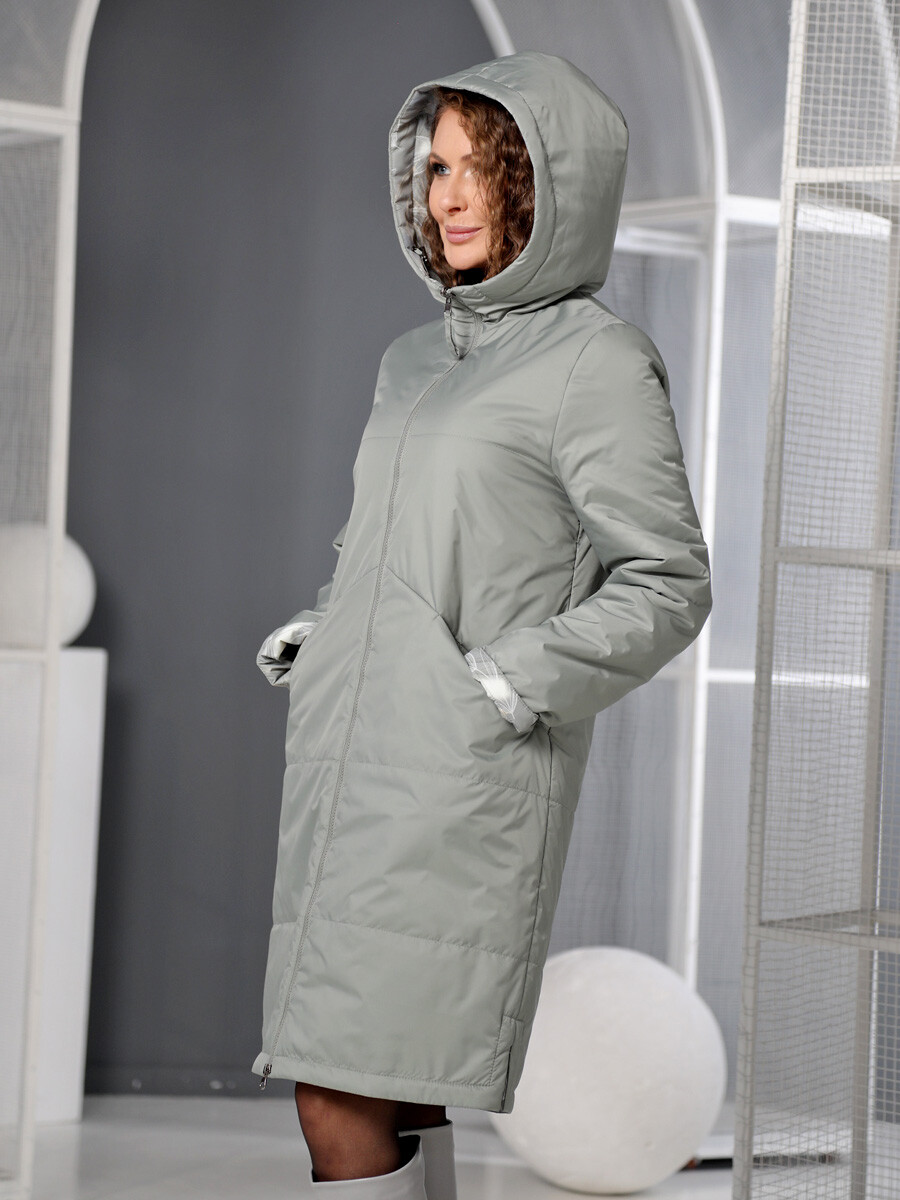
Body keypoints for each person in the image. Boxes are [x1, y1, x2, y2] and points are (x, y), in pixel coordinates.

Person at [253, 50, 711, 1199]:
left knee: (339, 1088)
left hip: (462, 783)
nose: (449, 196)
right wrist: (329, 628)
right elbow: (399, 545)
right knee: (397, 1085)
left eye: (482, 168)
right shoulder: (411, 360)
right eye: (436, 168)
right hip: (348, 764)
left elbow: (669, 580)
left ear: (549, 185)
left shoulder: (597, 362)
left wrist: (504, 681)